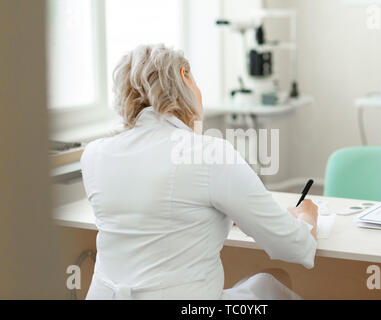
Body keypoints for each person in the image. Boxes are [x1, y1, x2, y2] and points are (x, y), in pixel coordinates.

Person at [81, 44, 318, 300]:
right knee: (270, 286)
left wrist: (221, 212)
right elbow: (294, 247)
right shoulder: (209, 153)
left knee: (267, 282)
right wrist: (306, 217)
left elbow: (155, 214)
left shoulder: (94, 154)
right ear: (184, 77)